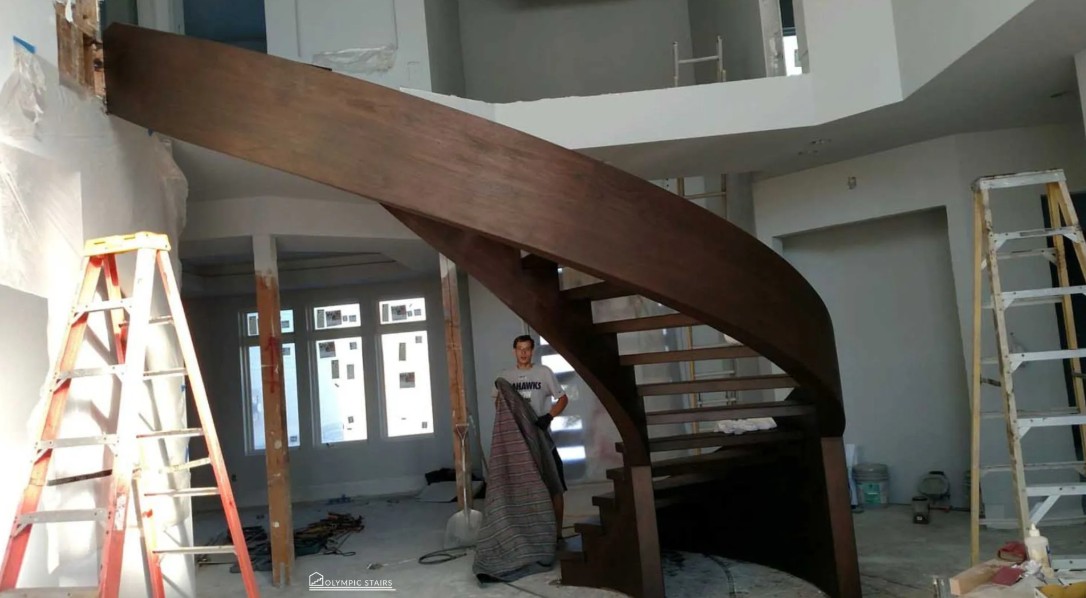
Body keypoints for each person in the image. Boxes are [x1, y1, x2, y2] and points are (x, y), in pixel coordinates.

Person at [494, 334, 569, 542]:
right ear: (514, 351)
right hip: (519, 443)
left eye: (527, 349)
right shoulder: (505, 376)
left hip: (542, 439)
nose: (524, 353)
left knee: (555, 486)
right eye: (520, 349)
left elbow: (563, 399)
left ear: (532, 351)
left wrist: (548, 417)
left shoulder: (544, 372)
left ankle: (557, 533)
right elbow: (499, 405)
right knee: (522, 489)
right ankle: (528, 534)